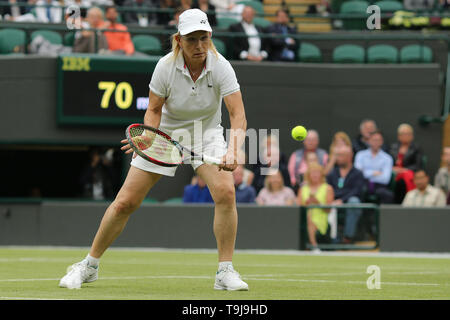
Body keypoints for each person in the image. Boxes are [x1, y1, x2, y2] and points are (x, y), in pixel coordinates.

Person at [59, 9, 249, 291]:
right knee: (126, 203)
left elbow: (237, 115)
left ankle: (225, 271)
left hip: (206, 134)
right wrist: (150, 137)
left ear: (210, 37)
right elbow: (154, 109)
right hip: (166, 135)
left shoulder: (221, 66)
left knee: (225, 192)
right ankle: (88, 266)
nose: (199, 46)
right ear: (179, 40)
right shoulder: (165, 66)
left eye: (204, 38)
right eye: (191, 40)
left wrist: (233, 149)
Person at [326, 145, 365, 243]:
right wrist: (332, 200)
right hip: (333, 201)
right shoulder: (332, 173)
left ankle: (348, 237)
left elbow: (357, 190)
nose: (338, 158)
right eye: (338, 155)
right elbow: (328, 188)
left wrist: (342, 200)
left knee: (354, 201)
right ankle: (328, 238)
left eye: (341, 155)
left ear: (350, 156)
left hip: (348, 201)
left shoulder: (357, 173)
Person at [297, 163, 334, 253]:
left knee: (310, 218)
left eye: (317, 172)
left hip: (321, 218)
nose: (315, 175)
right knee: (308, 217)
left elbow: (328, 210)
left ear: (321, 174)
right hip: (304, 218)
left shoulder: (328, 188)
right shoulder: (302, 189)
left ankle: (314, 245)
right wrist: (306, 203)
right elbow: (299, 208)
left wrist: (317, 203)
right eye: (312, 172)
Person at [354, 130, 394, 204]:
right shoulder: (360, 155)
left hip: (380, 186)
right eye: (374, 140)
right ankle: (361, 215)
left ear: (382, 142)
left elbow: (385, 179)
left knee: (387, 195)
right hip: (363, 184)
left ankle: (383, 215)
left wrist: (365, 172)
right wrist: (374, 172)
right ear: (368, 141)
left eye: (378, 140)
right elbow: (357, 174)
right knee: (358, 191)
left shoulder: (387, 158)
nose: (376, 142)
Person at [389, 123, 423, 203]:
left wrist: (405, 170)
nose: (405, 136)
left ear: (412, 136)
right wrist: (393, 168)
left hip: (408, 173)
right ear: (399, 136)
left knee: (402, 183)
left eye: (408, 134)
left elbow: (418, 165)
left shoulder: (416, 148)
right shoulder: (393, 147)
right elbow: (387, 161)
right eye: (403, 134)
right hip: (393, 173)